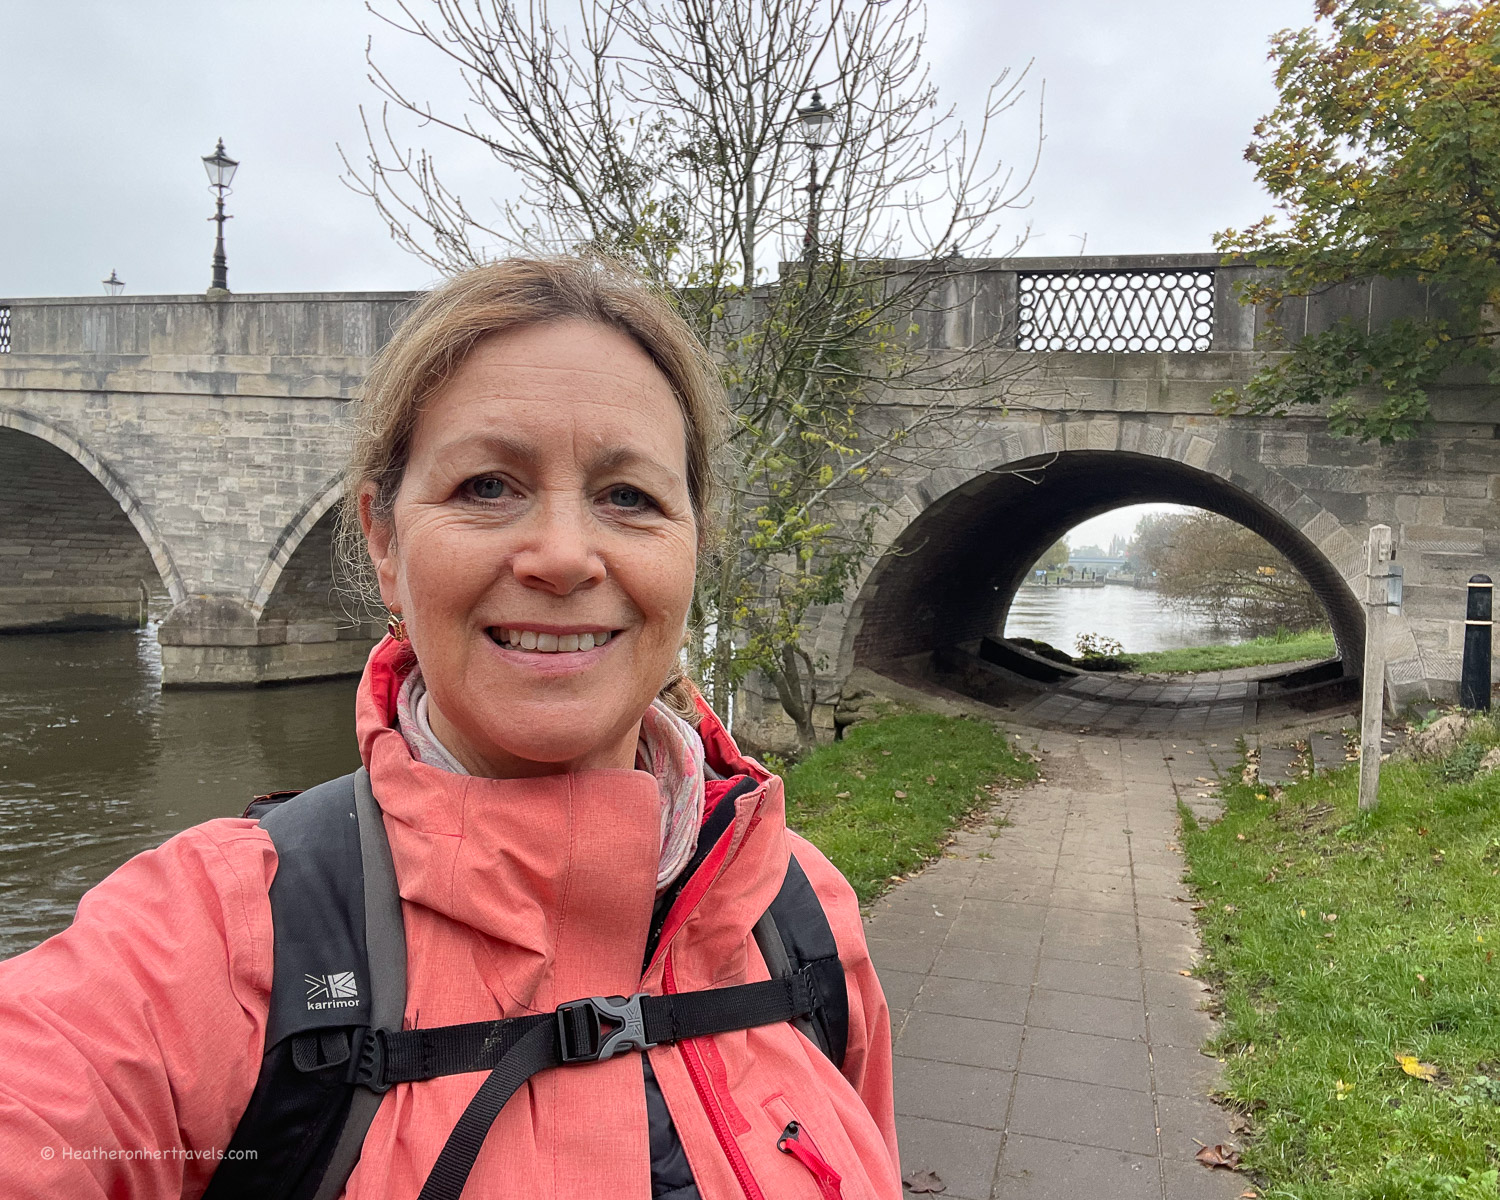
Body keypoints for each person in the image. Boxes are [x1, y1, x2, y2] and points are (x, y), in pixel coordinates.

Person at [0, 256, 900, 1199]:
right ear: (385, 543)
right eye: (486, 486)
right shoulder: (223, 939)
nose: (561, 555)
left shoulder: (801, 915)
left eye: (629, 497)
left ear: (693, 546)